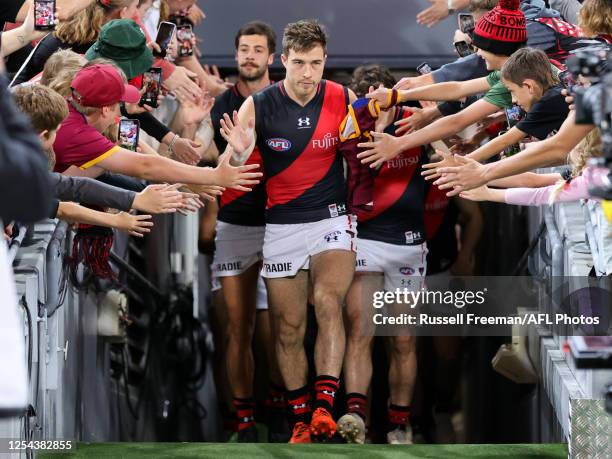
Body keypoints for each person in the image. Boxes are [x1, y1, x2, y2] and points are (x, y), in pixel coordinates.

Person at [219, 19, 357, 443]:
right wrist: (239, 154)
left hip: (332, 218)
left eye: (316, 63)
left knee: (328, 302)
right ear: (283, 62)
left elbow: (364, 152)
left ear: (325, 61)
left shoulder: (343, 96)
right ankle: (300, 419)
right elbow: (227, 172)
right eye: (299, 63)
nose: (308, 73)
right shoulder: (258, 105)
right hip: (280, 224)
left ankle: (323, 407)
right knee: (288, 329)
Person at [203, 21, 287, 443]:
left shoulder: (288, 100)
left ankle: (282, 411)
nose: (250, 56)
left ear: (272, 58)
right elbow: (220, 164)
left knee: (281, 332)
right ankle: (241, 423)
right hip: (236, 222)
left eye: (258, 50)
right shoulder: (223, 104)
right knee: (237, 329)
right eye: (243, 49)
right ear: (235, 55)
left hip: (283, 225)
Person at [335, 65, 428, 445]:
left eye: (381, 90)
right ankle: (356, 418)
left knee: (404, 339)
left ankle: (399, 424)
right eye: (366, 92)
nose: (375, 97)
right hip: (365, 238)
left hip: (408, 243)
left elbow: (451, 138)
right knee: (360, 331)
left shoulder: (417, 119)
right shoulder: (350, 127)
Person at [51, 62, 260, 193]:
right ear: (105, 109)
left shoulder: (72, 106)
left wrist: (186, 182)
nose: (121, 112)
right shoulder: (78, 132)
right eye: (119, 105)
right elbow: (145, 166)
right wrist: (212, 176)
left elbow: (143, 158)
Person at [423, 47, 569, 179]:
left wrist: (461, 162)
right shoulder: (554, 91)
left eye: (512, 91)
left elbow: (506, 140)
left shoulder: (549, 101)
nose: (513, 100)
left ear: (528, 86)